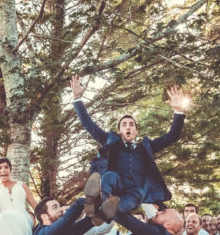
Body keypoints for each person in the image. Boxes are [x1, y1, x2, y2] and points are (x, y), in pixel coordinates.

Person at [71, 75, 188, 221]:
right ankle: (95, 202)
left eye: (131, 124)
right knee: (109, 176)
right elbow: (89, 125)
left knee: (136, 196)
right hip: (115, 185)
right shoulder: (110, 141)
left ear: (136, 132)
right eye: (124, 124)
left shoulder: (146, 147)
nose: (128, 126)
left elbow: (172, 136)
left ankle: (104, 213)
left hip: (132, 192)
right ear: (119, 131)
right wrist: (77, 98)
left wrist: (178, 110)